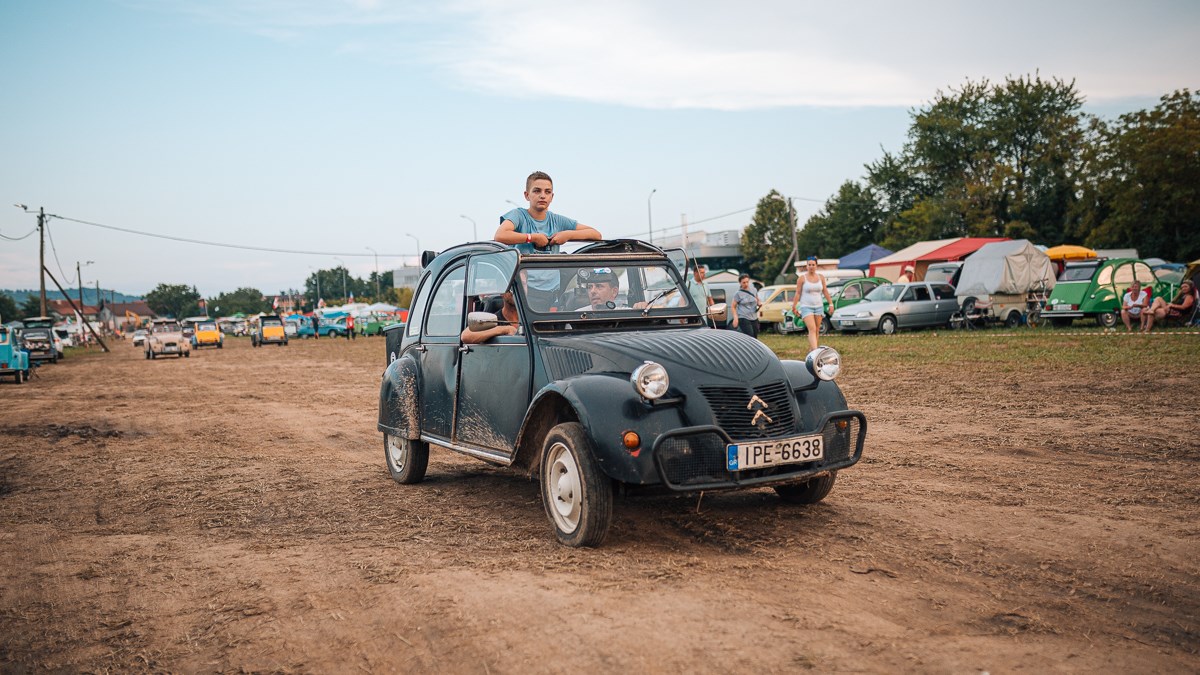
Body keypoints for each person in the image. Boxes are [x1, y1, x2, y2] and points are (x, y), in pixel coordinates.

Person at [495, 171, 603, 310]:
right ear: (527, 195)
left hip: (553, 292)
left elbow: (596, 234)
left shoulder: (557, 220)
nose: (542, 195)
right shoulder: (519, 215)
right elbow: (500, 235)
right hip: (526, 291)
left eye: (547, 192)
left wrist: (567, 235)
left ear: (552, 197)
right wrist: (532, 237)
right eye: (537, 191)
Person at [791, 256, 835, 351]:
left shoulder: (821, 277)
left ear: (816, 266)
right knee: (812, 329)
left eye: (813, 265)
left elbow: (825, 291)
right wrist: (794, 306)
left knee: (817, 330)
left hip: (819, 306)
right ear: (806, 266)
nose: (811, 266)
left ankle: (812, 350)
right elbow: (798, 293)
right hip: (806, 307)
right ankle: (816, 352)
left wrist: (831, 304)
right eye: (809, 265)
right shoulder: (802, 278)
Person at [730, 273, 761, 338]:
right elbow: (733, 306)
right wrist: (735, 318)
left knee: (755, 337)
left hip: (754, 317)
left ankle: (753, 348)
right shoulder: (738, 294)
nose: (746, 284)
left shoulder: (754, 290)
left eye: (747, 282)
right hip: (743, 317)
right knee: (750, 336)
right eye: (744, 282)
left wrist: (759, 303)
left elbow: (757, 299)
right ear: (740, 283)